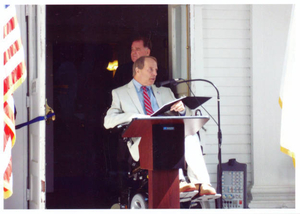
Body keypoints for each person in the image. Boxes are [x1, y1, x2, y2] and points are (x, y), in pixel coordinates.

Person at [104, 56, 216, 196]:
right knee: (165, 136)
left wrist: (181, 110)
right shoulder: (120, 93)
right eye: (150, 69)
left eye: (156, 70)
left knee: (190, 136)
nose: (155, 74)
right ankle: (178, 181)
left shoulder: (165, 92)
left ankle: (202, 183)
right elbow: (108, 121)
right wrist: (133, 117)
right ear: (137, 70)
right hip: (144, 142)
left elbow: (185, 115)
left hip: (168, 134)